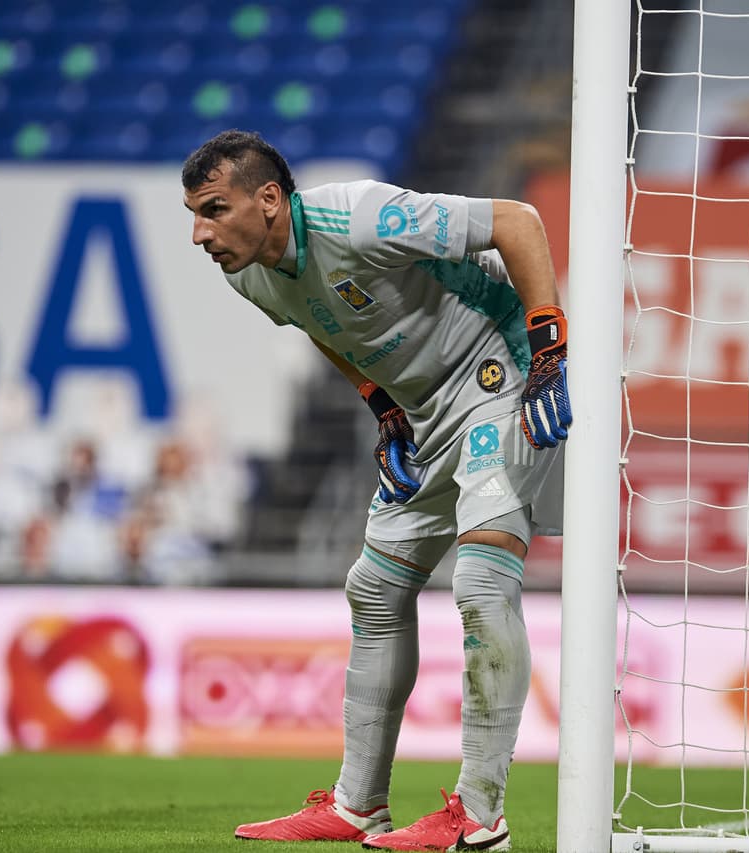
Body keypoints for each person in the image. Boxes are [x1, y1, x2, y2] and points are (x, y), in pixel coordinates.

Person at [182, 129, 572, 852]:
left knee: (482, 585)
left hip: (500, 376)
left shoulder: (361, 216)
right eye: (193, 214)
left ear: (268, 199)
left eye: (213, 209)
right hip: (426, 415)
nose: (200, 233)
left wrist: (550, 348)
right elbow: (317, 320)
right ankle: (360, 802)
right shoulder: (248, 273)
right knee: (374, 587)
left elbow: (518, 220)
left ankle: (480, 815)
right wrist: (379, 400)